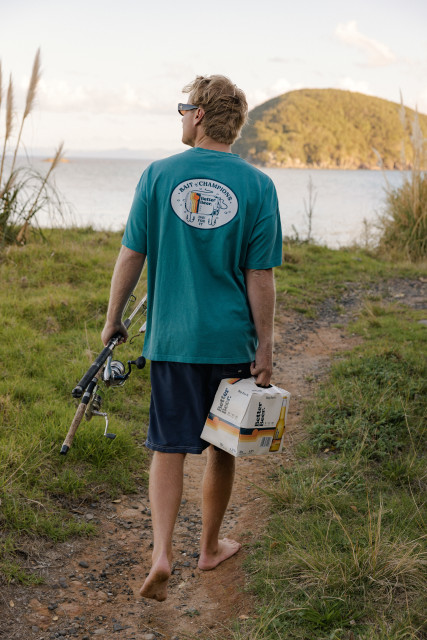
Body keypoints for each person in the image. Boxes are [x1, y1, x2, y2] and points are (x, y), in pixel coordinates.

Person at [101, 75, 282, 602]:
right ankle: (207, 547)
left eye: (184, 108)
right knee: (222, 448)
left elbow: (132, 253)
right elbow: (259, 273)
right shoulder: (258, 186)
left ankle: (161, 553)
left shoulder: (158, 175)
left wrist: (114, 318)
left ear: (199, 115)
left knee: (167, 448)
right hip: (230, 342)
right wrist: (265, 346)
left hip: (172, 340)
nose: (181, 116)